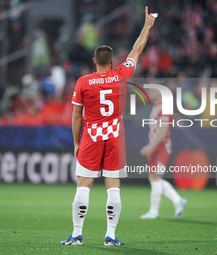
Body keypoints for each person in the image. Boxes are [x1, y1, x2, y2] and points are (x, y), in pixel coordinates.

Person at [60, 7, 156, 246]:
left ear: (94, 61)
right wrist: (146, 26)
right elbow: (137, 49)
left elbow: (76, 116)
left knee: (84, 184)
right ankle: (111, 236)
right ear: (112, 61)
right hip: (115, 136)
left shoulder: (83, 82)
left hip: (91, 136)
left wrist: (76, 142)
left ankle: (77, 234)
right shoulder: (121, 74)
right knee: (113, 187)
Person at [140, 88, 187, 219]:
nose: (149, 93)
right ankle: (177, 200)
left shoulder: (165, 107)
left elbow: (163, 131)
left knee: (155, 178)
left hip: (161, 147)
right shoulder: (156, 107)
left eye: (152, 90)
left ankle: (154, 211)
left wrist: (150, 146)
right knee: (154, 178)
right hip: (156, 147)